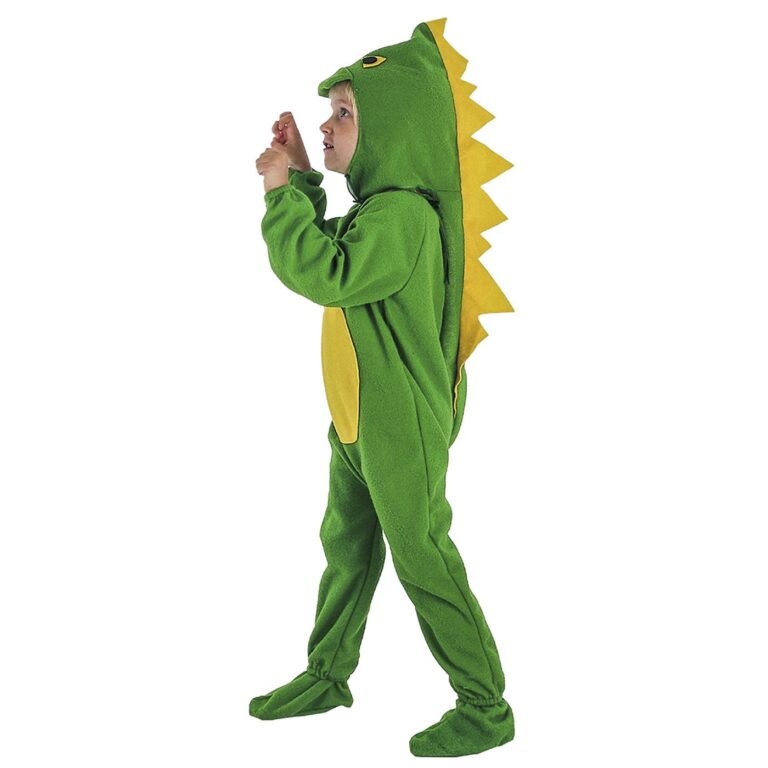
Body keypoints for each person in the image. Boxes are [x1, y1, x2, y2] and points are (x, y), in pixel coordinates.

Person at [251, 18, 516, 758]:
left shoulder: (403, 216)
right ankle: (327, 673)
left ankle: (485, 705)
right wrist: (304, 177)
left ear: (393, 129)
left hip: (397, 424)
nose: (326, 125)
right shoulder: (381, 211)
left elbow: (324, 272)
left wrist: (278, 194)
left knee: (422, 555)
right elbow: (336, 250)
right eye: (331, 111)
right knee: (347, 546)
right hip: (358, 420)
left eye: (345, 112)